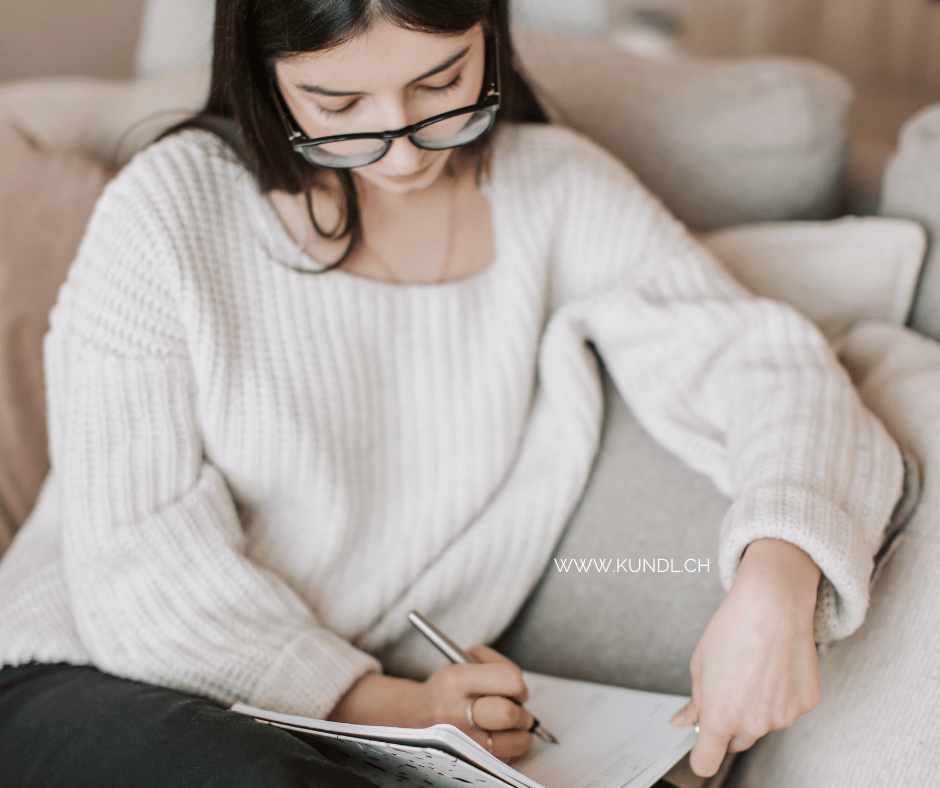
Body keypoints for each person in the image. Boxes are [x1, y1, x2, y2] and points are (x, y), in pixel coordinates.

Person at [0, 0, 904, 785]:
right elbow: (135, 569)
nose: (400, 152)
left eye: (441, 84)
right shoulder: (168, 211)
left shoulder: (555, 190)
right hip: (97, 671)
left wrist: (778, 573)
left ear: (488, 31)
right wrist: (390, 706)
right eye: (338, 107)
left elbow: (767, 364)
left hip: (373, 728)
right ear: (263, 72)